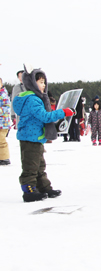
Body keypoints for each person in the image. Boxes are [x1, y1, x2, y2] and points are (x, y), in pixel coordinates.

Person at [12, 65, 75, 202]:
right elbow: (45, 117)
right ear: (33, 84)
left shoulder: (35, 98)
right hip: (30, 138)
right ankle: (29, 191)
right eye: (41, 82)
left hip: (36, 137)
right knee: (31, 166)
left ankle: (44, 188)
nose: (44, 85)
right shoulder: (32, 100)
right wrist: (63, 112)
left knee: (40, 166)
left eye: (44, 82)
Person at [0, 77, 11, 165]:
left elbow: (6, 107)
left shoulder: (3, 94)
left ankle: (4, 158)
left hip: (3, 123)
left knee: (1, 140)